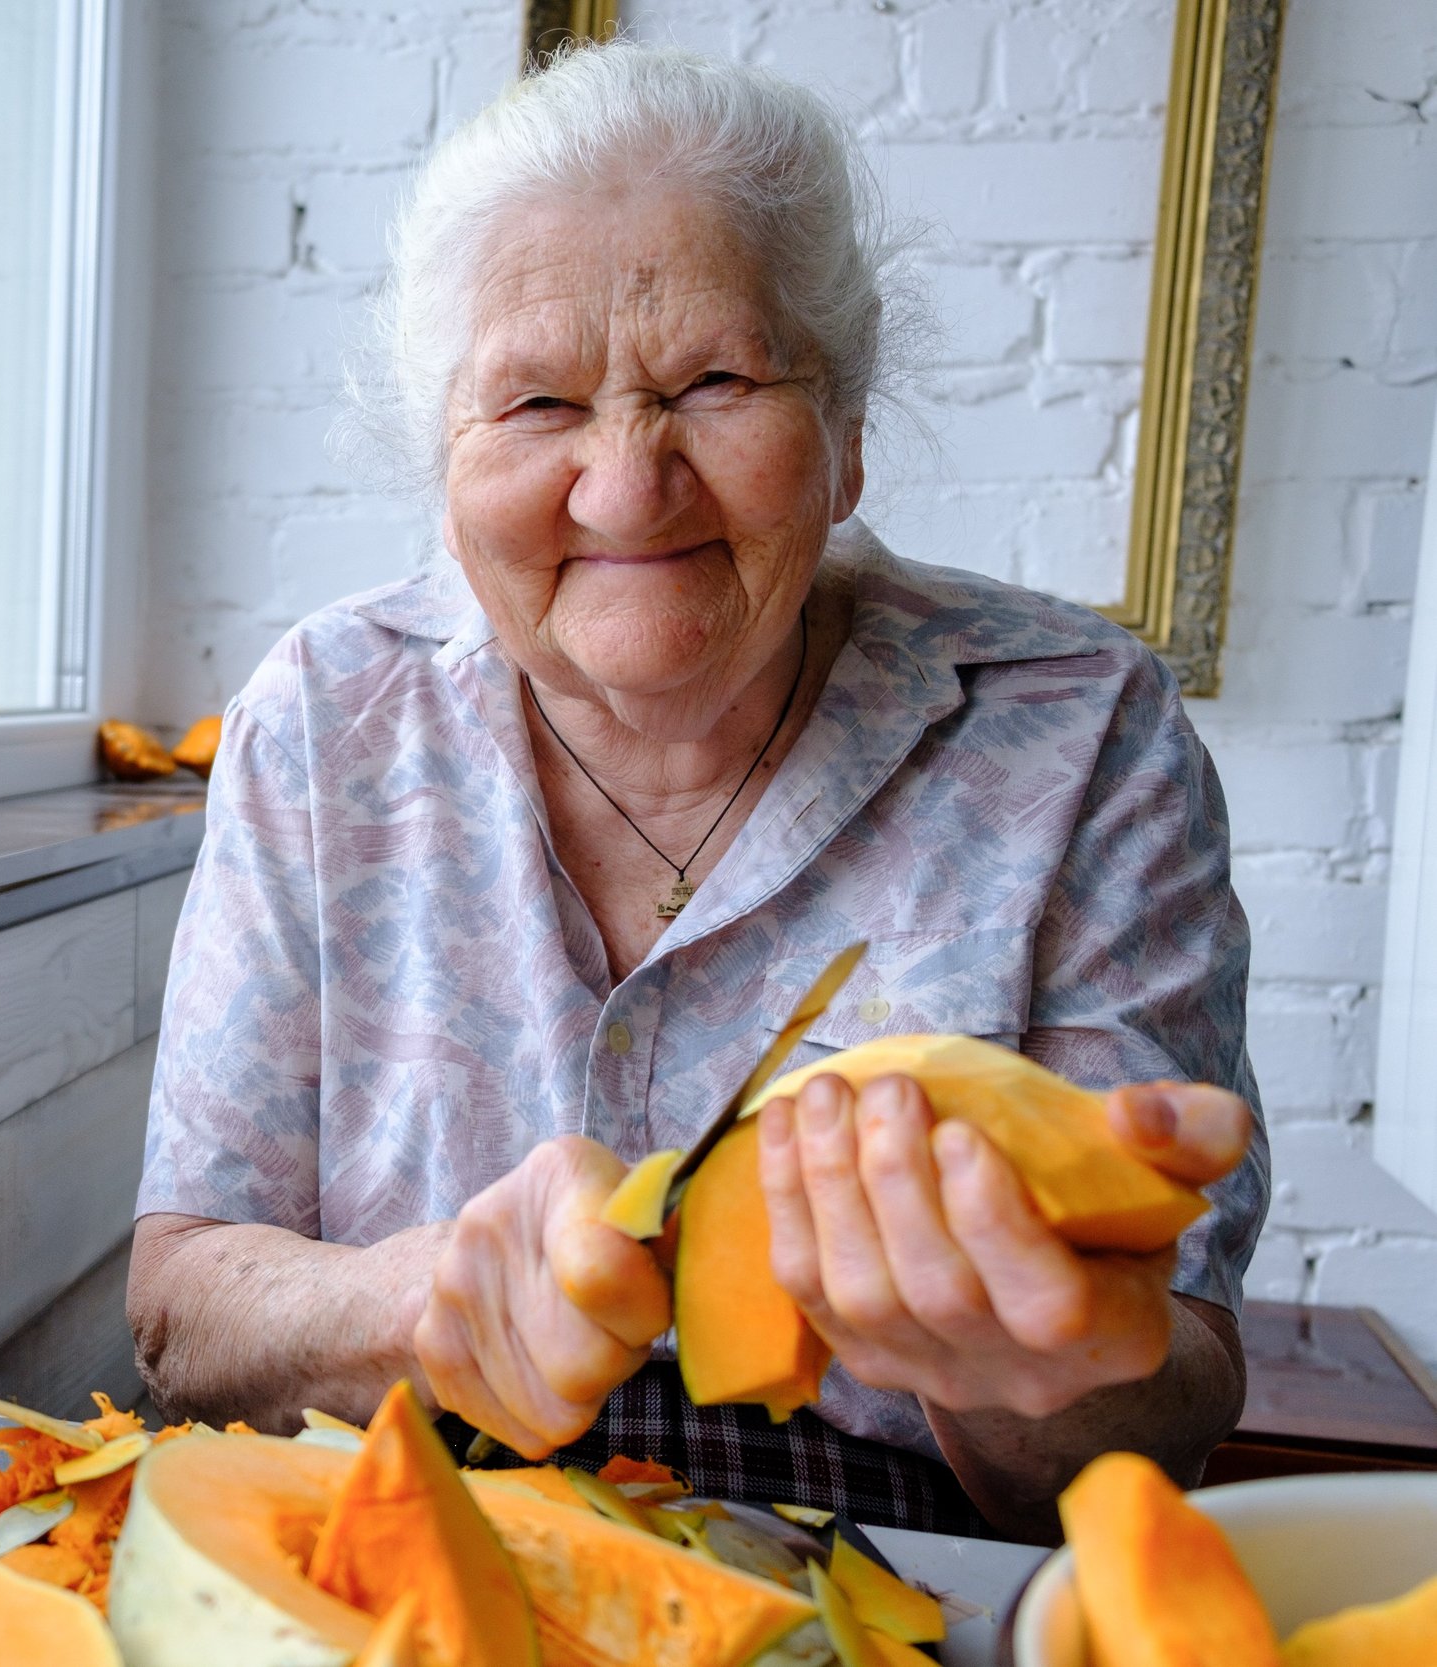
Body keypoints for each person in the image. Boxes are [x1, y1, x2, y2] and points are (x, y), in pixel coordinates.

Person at [125, 40, 1265, 1542]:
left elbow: (1162, 1417)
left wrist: (1027, 1370)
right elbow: (179, 1317)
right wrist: (417, 1303)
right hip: (403, 1536)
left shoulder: (1078, 739)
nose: (624, 486)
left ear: (846, 440)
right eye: (536, 404)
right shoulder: (327, 723)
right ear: (443, 470)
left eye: (714, 380)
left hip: (903, 1553)